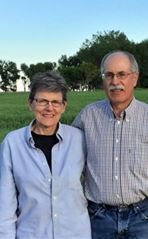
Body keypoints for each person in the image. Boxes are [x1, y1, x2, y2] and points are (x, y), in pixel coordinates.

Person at [72, 50, 148, 239]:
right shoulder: (87, 117)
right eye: (108, 75)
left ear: (135, 78)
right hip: (98, 217)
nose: (115, 82)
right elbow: (69, 165)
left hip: (142, 217)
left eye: (122, 74)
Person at [0, 71, 91, 239]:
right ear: (31, 104)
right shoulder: (12, 144)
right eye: (42, 101)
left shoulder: (79, 140)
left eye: (56, 102)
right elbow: (5, 205)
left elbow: (99, 182)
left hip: (76, 234)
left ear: (64, 106)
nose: (49, 108)